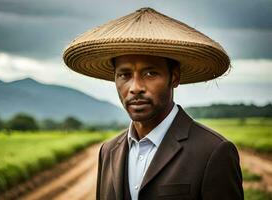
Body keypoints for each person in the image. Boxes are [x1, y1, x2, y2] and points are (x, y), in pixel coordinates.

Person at [63, 7, 244, 200]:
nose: (135, 87)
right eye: (124, 75)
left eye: (150, 73)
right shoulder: (108, 151)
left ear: (174, 77)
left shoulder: (213, 151)